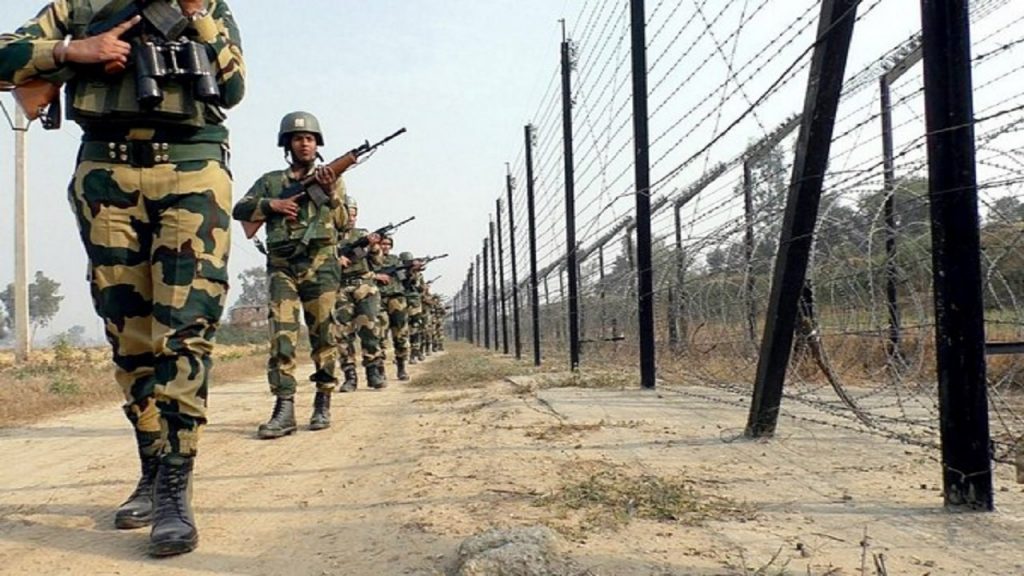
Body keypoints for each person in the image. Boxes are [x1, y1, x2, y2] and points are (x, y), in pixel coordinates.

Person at [0, 0, 244, 557]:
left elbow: (231, 90)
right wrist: (71, 51)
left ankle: (176, 490)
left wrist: (195, 13)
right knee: (127, 333)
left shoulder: (209, 4)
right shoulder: (76, 5)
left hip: (192, 169)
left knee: (184, 331)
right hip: (105, 173)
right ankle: (153, 468)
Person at [232, 111, 346, 439]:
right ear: (288, 144)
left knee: (324, 334)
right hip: (282, 267)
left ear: (317, 143)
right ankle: (284, 409)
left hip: (321, 266)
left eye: (310, 138)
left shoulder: (333, 178)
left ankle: (323, 401)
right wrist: (274, 206)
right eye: (298, 138)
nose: (305, 143)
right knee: (281, 336)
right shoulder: (271, 181)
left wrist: (331, 192)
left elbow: (343, 225)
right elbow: (240, 209)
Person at [336, 198, 386, 390]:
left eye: (354, 213)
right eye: (348, 212)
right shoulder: (330, 236)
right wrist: (336, 259)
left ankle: (373, 371)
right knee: (343, 334)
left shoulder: (362, 235)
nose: (351, 217)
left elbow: (379, 262)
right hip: (341, 288)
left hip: (365, 287)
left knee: (370, 330)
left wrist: (374, 246)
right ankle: (350, 376)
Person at [375, 236, 411, 380]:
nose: (385, 247)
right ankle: (380, 370)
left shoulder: (395, 261)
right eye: (383, 244)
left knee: (400, 334)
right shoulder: (370, 260)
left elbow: (405, 280)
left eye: (388, 244)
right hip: (378, 298)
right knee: (379, 336)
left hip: (396, 299)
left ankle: (401, 367)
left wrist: (411, 271)